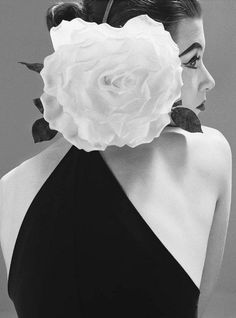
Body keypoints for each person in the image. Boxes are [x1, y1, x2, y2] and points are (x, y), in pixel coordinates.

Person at [0, 1, 232, 317]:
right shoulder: (208, 153)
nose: (209, 80)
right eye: (192, 60)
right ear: (142, 69)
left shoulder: (9, 190)